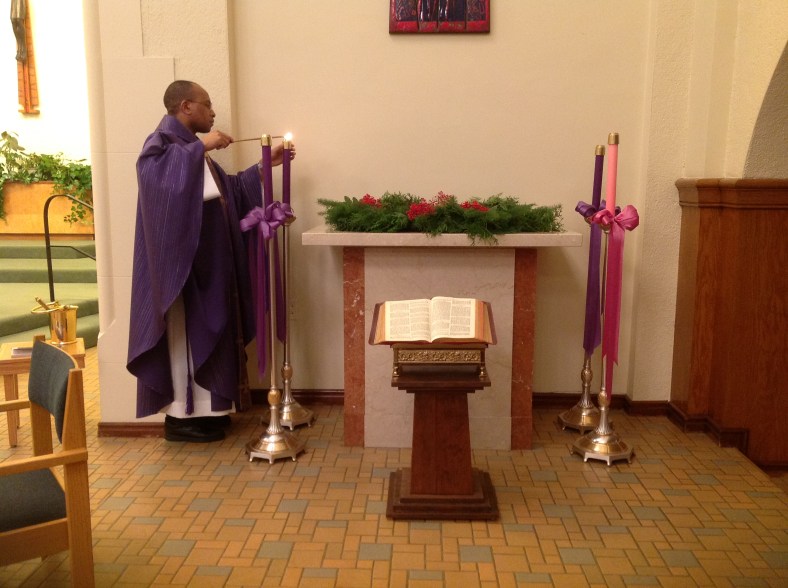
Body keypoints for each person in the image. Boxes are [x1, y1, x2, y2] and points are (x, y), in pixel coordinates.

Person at [127, 80, 293, 442]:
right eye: (207, 104)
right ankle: (183, 417)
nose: (213, 111)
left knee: (213, 336)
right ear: (186, 107)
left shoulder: (190, 150)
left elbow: (227, 192)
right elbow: (155, 180)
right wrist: (203, 144)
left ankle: (210, 411)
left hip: (211, 266)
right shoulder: (163, 146)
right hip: (183, 272)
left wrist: (265, 167)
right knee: (184, 340)